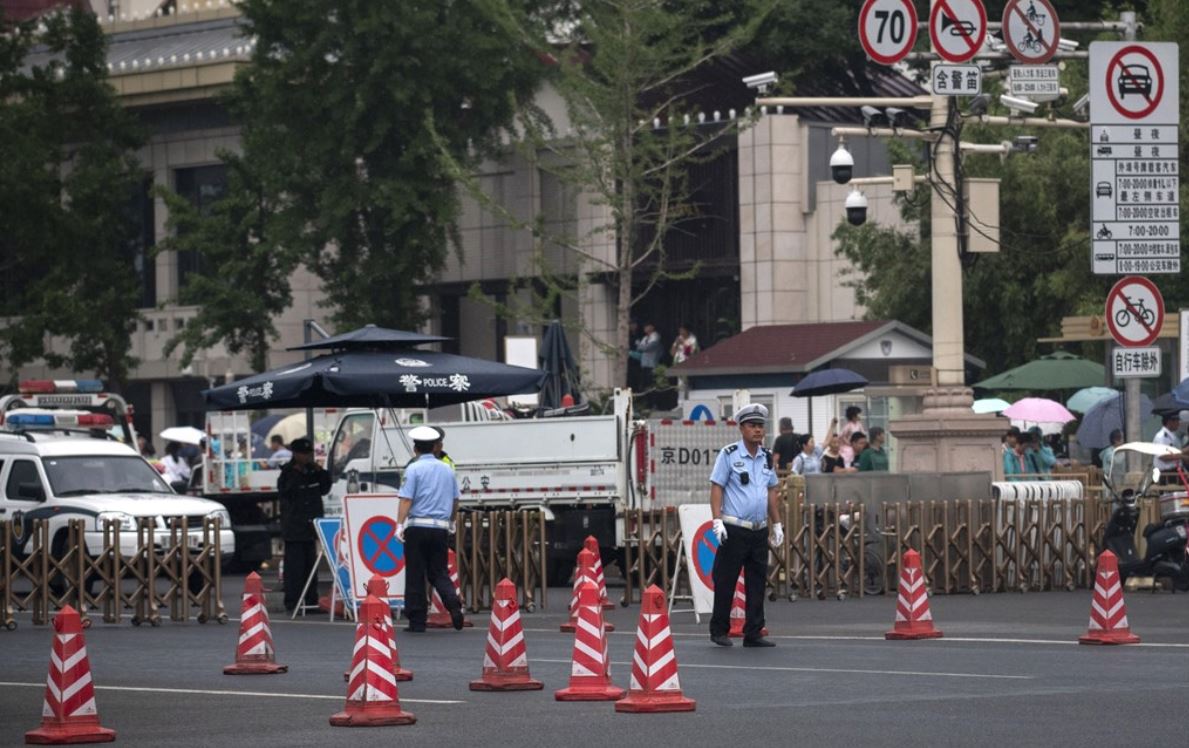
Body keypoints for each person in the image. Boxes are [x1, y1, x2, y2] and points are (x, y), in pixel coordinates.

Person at [707, 403, 781, 648]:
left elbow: (771, 491)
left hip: (759, 528)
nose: (758, 430)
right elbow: (717, 487)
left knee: (757, 581)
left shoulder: (767, 457)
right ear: (741, 428)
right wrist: (716, 519)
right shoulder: (729, 455)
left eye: (761, 426)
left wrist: (777, 523)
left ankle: (754, 631)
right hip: (735, 527)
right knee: (726, 579)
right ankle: (719, 630)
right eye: (752, 426)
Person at [396, 425, 465, 632]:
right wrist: (452, 521)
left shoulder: (413, 469)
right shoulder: (447, 469)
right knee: (439, 571)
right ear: (435, 447)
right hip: (440, 529)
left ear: (415, 449)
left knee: (416, 574)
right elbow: (455, 500)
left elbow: (406, 499)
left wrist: (399, 524)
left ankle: (417, 621)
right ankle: (452, 602)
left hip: (417, 527)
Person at [277, 438, 330, 613]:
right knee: (295, 568)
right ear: (295, 454)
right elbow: (285, 493)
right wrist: (296, 474)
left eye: (309, 454)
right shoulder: (287, 472)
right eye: (303, 454)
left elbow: (325, 488)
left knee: (310, 566)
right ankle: (293, 601)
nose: (307, 457)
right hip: (294, 526)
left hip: (311, 526)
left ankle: (310, 599)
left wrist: (320, 470)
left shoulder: (313, 471)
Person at [1152, 413, 1185, 483]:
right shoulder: (1161, 437)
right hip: (1167, 474)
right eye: (1177, 421)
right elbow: (1163, 456)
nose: (1179, 424)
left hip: (1176, 472)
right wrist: (1182, 456)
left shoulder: (1173, 436)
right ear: (1170, 422)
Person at [635, 323, 663, 398]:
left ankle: (654, 404)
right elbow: (639, 349)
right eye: (644, 326)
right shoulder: (645, 338)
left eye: (647, 326)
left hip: (652, 364)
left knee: (652, 384)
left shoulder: (655, 336)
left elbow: (647, 348)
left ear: (652, 327)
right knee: (645, 384)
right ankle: (647, 403)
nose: (645, 328)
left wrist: (639, 345)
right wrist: (640, 346)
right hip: (644, 364)